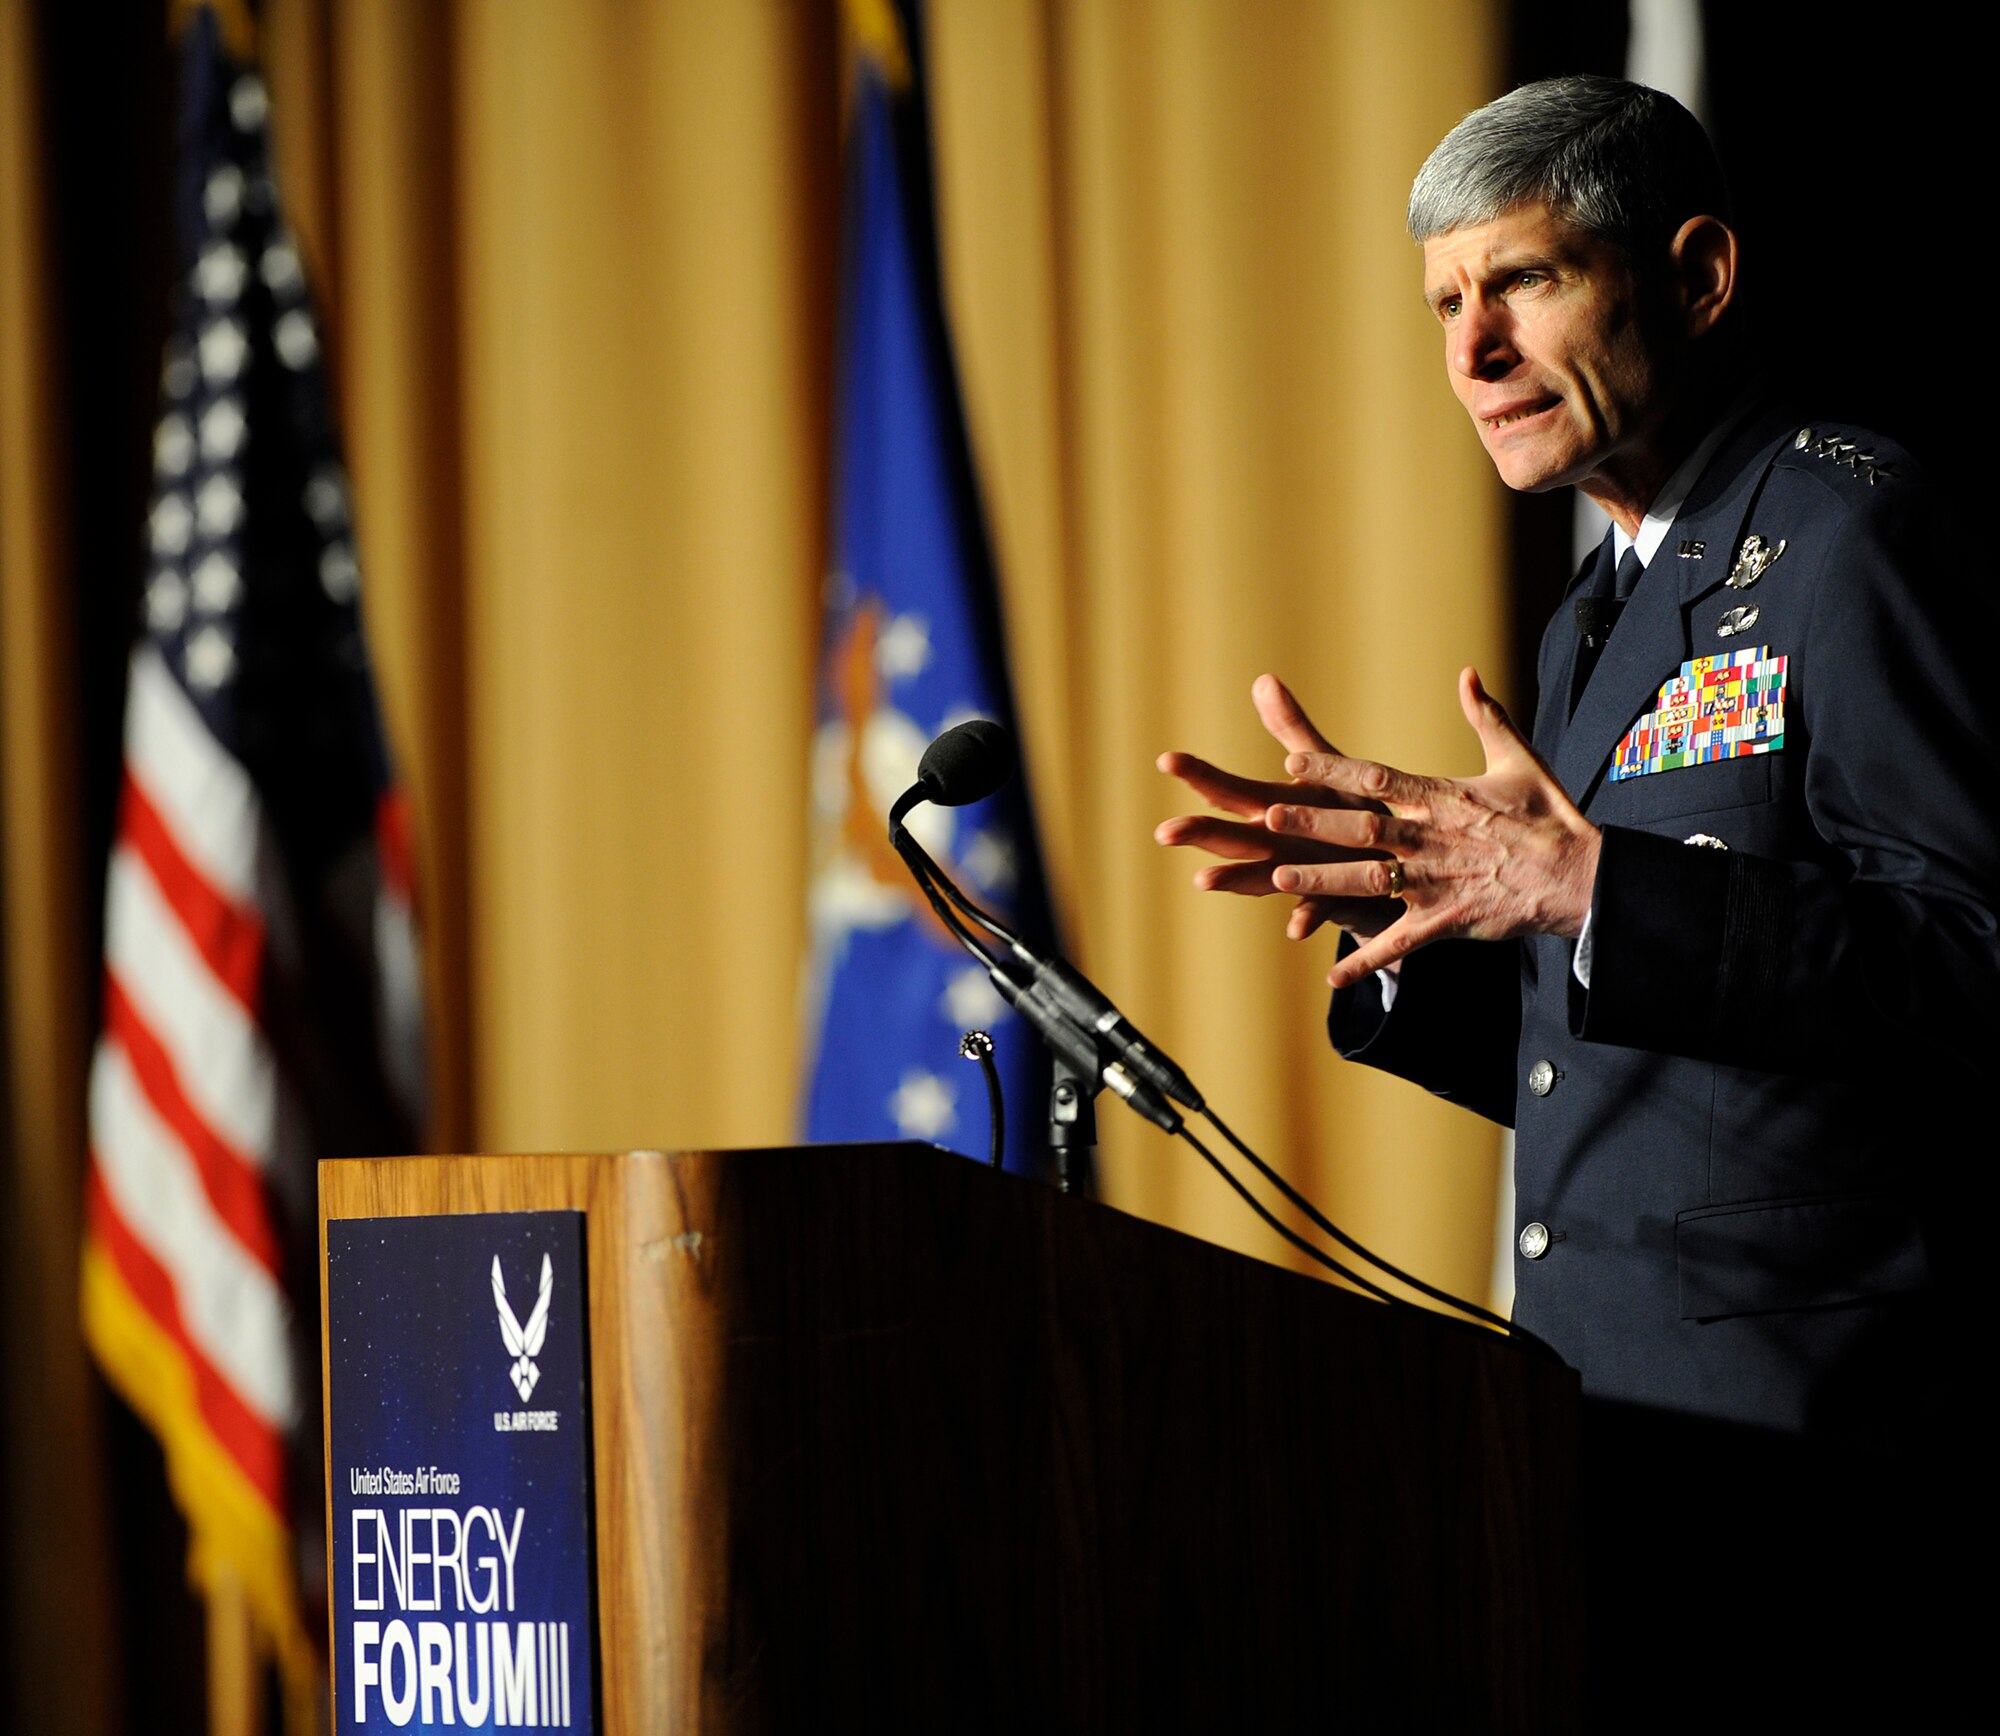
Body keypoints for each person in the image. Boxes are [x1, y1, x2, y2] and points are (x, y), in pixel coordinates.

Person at [1157, 75, 1994, 1709]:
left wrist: (1583, 882)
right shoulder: (1594, 608)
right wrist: (1420, 924)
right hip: (1603, 1422)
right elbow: (1657, 1047)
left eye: (1524, 283)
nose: (1471, 355)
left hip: (1814, 1440)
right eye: (1445, 304)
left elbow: (1971, 964)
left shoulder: (1845, 538)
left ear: (1695, 277)